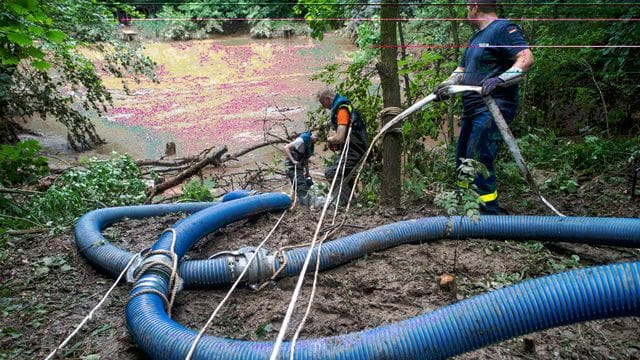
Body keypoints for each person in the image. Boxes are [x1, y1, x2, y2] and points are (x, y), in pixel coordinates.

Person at [434, 0, 534, 214]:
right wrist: (445, 86)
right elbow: (461, 70)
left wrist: (501, 79)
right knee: (463, 155)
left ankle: (488, 213)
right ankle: (465, 205)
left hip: (493, 106)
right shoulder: (475, 38)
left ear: (475, 6)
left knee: (479, 155)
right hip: (472, 108)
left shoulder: (503, 29)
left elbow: (526, 59)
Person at [317, 89, 368, 205]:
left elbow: (339, 137)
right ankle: (349, 201)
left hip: (355, 149)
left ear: (328, 99)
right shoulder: (342, 107)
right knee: (342, 171)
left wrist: (329, 139)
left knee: (332, 172)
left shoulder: (342, 110)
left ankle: (346, 203)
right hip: (353, 147)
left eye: (323, 104)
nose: (325, 108)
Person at [283, 130, 317, 203]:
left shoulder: (310, 145)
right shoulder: (301, 140)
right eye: (315, 136)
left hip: (299, 167)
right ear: (312, 134)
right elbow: (286, 147)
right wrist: (293, 161)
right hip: (291, 166)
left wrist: (307, 172)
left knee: (307, 184)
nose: (316, 139)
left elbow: (306, 159)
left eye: (318, 138)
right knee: (301, 186)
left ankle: (294, 200)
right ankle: (305, 204)